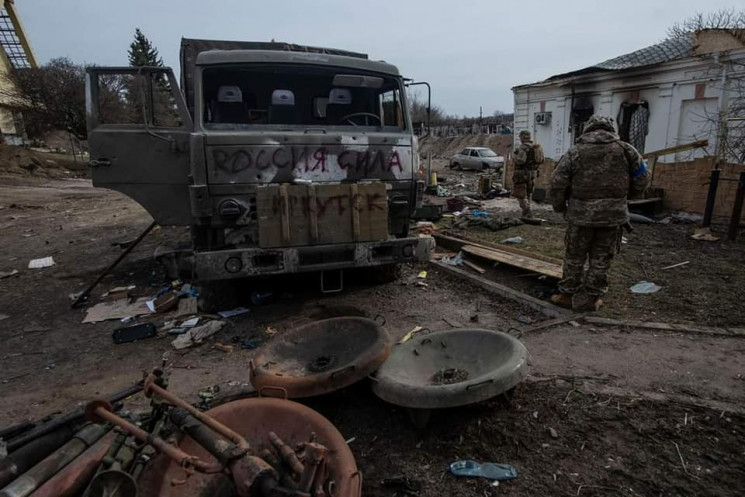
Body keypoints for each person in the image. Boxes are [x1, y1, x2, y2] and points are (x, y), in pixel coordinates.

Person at [549, 115, 651, 312]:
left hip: (580, 216)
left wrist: (560, 207)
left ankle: (566, 295)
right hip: (612, 217)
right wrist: (627, 197)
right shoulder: (626, 150)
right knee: (602, 258)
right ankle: (592, 299)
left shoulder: (575, 151)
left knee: (574, 257)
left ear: (588, 129)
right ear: (610, 129)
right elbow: (643, 177)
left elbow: (557, 183)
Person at [512, 130, 544, 219]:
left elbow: (520, 161)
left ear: (522, 137)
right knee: (528, 193)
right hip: (532, 173)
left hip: (522, 173)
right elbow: (542, 160)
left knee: (520, 194)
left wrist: (514, 157)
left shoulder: (523, 147)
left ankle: (528, 211)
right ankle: (525, 214)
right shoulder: (537, 147)